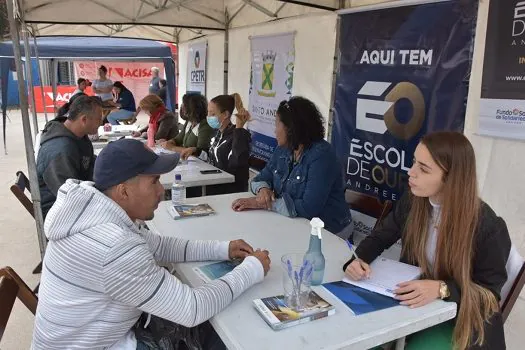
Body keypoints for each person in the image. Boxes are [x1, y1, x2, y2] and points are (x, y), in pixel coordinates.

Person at [32, 139, 271, 349]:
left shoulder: (96, 213)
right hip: (101, 344)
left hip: (89, 338)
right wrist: (252, 269)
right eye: (154, 181)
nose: (160, 191)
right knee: (219, 333)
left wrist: (223, 248)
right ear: (123, 191)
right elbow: (192, 308)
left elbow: (159, 246)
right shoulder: (114, 247)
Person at [344, 132, 510, 350]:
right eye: (414, 162)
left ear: (451, 178)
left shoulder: (487, 227)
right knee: (359, 337)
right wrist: (357, 259)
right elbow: (380, 237)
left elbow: (488, 294)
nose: (410, 173)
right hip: (413, 306)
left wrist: (442, 289)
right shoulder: (414, 202)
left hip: (461, 320)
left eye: (424, 168)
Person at [232, 96, 352, 238]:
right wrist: (263, 189)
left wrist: (263, 204)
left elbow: (309, 208)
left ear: (291, 128)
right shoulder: (283, 149)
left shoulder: (322, 156)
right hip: (293, 223)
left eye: (277, 125)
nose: (275, 131)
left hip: (328, 231)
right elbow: (260, 178)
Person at [36, 95, 102, 218]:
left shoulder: (78, 136)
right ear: (84, 119)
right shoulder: (60, 150)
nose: (101, 123)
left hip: (78, 196)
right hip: (60, 213)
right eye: (99, 119)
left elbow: (88, 162)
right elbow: (68, 196)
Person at [197, 93, 251, 195]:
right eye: (208, 113)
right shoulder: (217, 133)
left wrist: (239, 128)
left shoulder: (239, 136)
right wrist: (196, 151)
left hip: (229, 190)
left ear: (225, 114)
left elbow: (237, 163)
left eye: (212, 114)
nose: (208, 117)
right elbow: (211, 157)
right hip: (214, 184)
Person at [160, 93, 214, 158]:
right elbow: (177, 140)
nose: (181, 107)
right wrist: (169, 142)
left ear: (192, 109)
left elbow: (200, 152)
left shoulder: (205, 125)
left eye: (184, 105)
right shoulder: (189, 122)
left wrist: (172, 148)